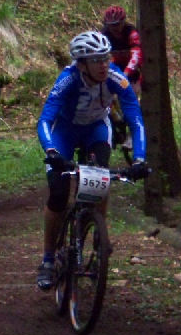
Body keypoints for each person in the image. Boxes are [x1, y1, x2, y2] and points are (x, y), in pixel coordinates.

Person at [35, 31, 147, 290]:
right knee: (59, 194)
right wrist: (51, 151)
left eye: (106, 58)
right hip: (64, 132)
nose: (103, 65)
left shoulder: (117, 78)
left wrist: (139, 158)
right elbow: (44, 120)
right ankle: (49, 259)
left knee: (101, 178)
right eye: (96, 60)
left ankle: (98, 232)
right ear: (81, 63)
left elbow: (136, 119)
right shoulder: (68, 79)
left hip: (96, 130)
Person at [101, 5, 142, 93]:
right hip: (114, 69)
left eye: (117, 24)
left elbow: (136, 55)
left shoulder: (131, 33)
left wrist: (126, 73)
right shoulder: (104, 35)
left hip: (132, 71)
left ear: (123, 22)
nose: (114, 28)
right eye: (111, 25)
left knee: (132, 92)